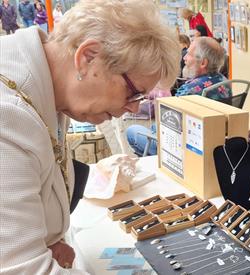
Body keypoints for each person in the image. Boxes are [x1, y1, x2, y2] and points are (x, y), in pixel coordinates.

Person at [0, 0, 179, 273]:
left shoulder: (50, 90)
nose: (133, 107)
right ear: (88, 57)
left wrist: (45, 238)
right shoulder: (8, 116)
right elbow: (23, 269)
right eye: (133, 92)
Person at [127, 36, 231, 156]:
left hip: (181, 149)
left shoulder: (190, 90)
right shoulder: (225, 81)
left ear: (203, 63)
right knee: (153, 127)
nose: (184, 58)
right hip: (213, 142)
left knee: (132, 131)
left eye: (189, 54)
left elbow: (167, 120)